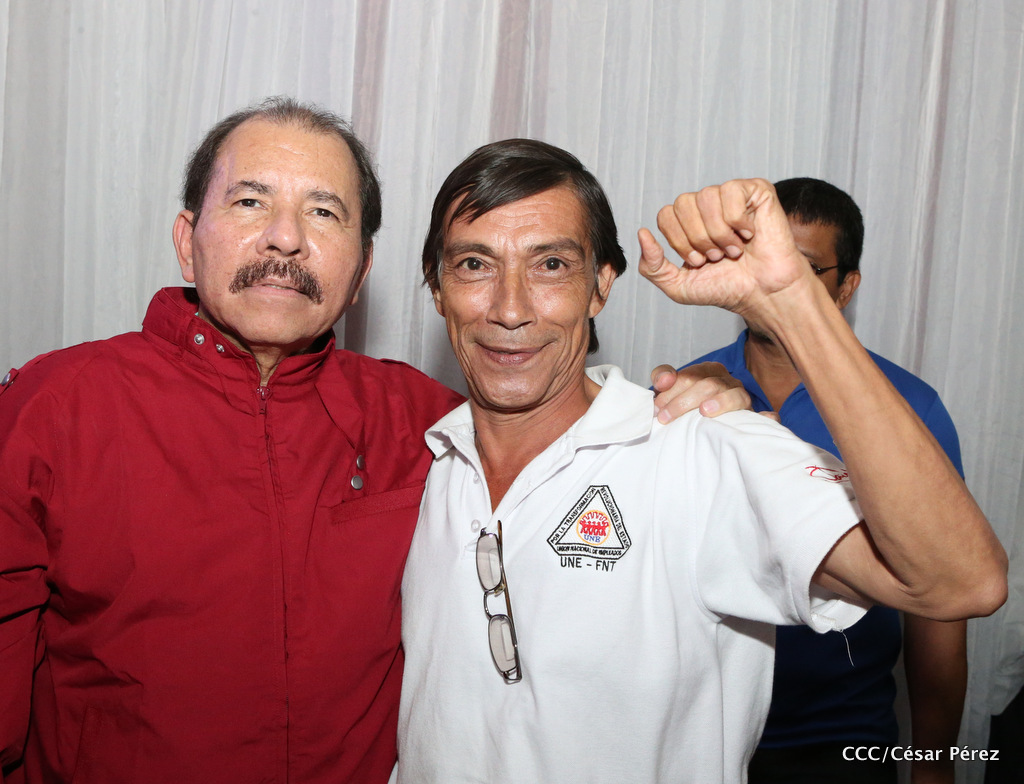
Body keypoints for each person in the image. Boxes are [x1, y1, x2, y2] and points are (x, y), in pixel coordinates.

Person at [0, 98, 738, 784]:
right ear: (187, 243)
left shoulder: (425, 423)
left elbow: (571, 431)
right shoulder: (57, 406)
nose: (286, 237)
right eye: (251, 202)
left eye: (323, 212)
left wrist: (702, 398)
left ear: (360, 271)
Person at [395, 140, 1007, 783]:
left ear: (601, 285)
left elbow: (962, 583)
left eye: (551, 264)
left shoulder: (704, 447)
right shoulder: (421, 459)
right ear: (436, 287)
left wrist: (794, 303)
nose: (510, 308)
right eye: (474, 264)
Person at [678, 177, 966, 784]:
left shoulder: (906, 410)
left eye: (803, 267)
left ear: (845, 287)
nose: (771, 279)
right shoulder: (690, 391)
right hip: (704, 730)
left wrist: (935, 765)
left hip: (842, 737)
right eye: (759, 254)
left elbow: (940, 614)